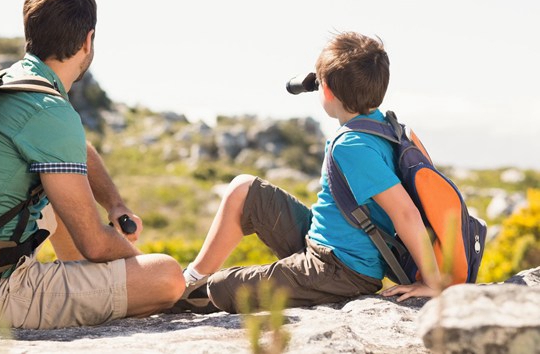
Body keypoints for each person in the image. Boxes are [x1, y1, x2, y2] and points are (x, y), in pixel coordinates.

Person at [0, 0, 185, 329]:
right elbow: (95, 244)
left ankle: (91, 288)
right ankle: (99, 292)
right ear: (88, 41)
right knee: (168, 277)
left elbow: (77, 150)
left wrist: (114, 203)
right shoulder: (48, 109)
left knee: (62, 196)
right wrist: (137, 261)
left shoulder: (7, 85)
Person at [177, 31, 441, 314]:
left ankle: (178, 296)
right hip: (322, 242)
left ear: (325, 90)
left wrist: (432, 282)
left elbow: (405, 213)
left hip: (342, 270)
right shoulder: (380, 125)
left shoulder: (353, 146)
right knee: (245, 190)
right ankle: (190, 279)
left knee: (222, 288)